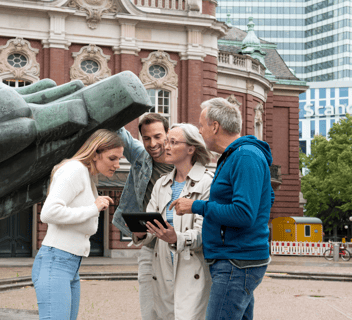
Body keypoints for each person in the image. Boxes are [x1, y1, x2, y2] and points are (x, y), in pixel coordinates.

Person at [171, 97, 275, 320]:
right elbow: (267, 198)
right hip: (236, 259)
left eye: (201, 125)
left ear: (215, 126)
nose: (199, 131)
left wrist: (196, 206)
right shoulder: (236, 157)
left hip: (236, 262)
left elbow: (243, 214)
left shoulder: (245, 156)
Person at [32, 129, 124, 320]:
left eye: (119, 159)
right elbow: (49, 212)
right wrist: (93, 208)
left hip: (70, 264)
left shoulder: (87, 175)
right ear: (96, 152)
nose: (117, 164)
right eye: (112, 158)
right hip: (56, 261)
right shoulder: (74, 170)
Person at [133, 123, 213, 320]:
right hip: (161, 266)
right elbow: (152, 223)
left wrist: (176, 237)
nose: (166, 146)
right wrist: (141, 232)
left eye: (173, 142)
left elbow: (205, 232)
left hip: (191, 265)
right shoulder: (161, 183)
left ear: (191, 148)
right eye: (167, 141)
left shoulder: (208, 182)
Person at [112, 113, 174, 320]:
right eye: (146, 138)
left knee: (175, 306)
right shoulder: (141, 157)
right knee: (149, 307)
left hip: (176, 243)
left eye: (158, 136)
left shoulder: (181, 163)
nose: (153, 143)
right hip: (149, 243)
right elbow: (119, 131)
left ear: (168, 133)